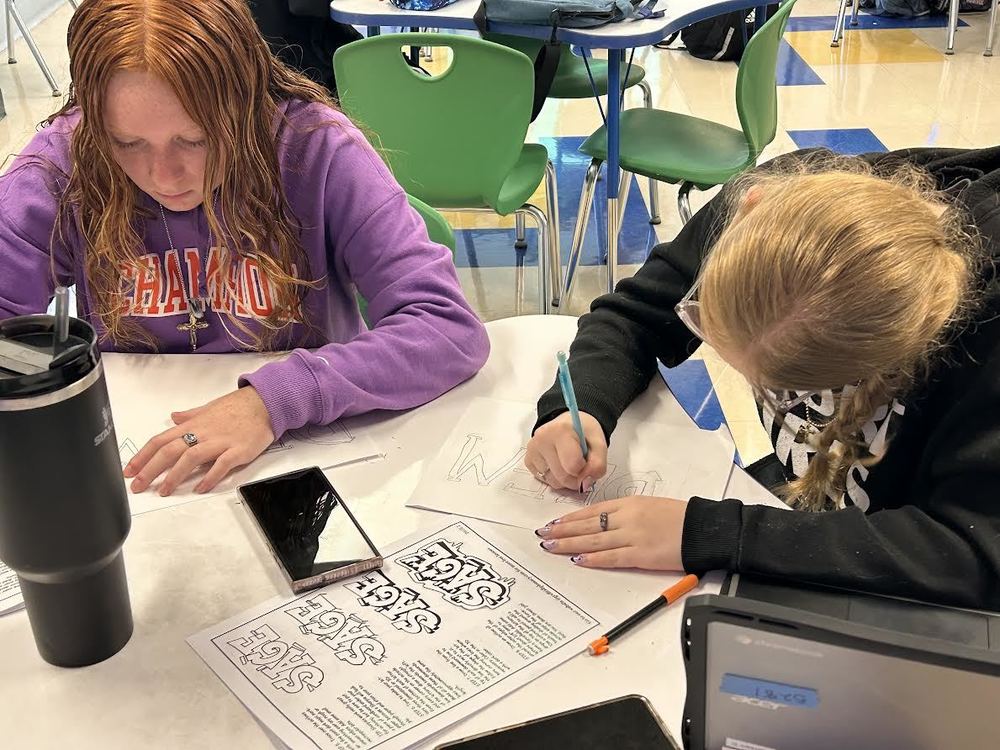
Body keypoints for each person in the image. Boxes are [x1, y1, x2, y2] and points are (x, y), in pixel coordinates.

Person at [0, 0, 489, 497]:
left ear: (245, 102)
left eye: (195, 139)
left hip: (313, 451)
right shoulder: (61, 166)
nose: (164, 176)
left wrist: (275, 399)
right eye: (127, 143)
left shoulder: (317, 150)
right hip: (135, 468)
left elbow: (446, 328)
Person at [527, 147, 1000, 610]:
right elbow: (634, 315)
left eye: (787, 388)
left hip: (887, 562)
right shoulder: (783, 211)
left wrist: (715, 533)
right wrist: (584, 403)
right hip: (808, 510)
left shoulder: (983, 346)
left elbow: (969, 552)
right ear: (750, 209)